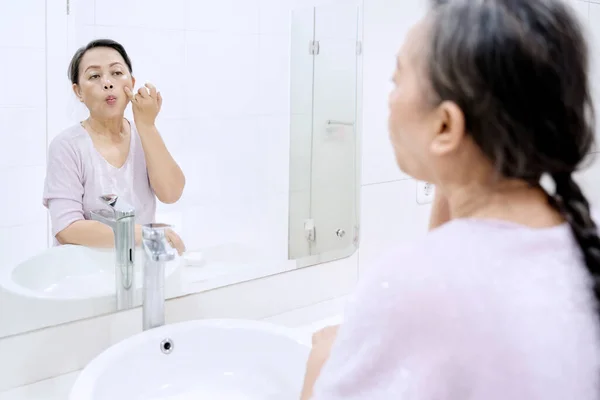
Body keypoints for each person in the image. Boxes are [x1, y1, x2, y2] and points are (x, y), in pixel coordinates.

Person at [300, 0, 600, 398]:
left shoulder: (412, 286)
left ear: (445, 125)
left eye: (396, 80)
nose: (389, 99)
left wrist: (321, 361)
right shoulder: (583, 236)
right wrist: (454, 173)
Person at [43, 39, 186, 255]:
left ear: (132, 82)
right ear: (78, 92)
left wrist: (147, 125)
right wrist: (146, 235)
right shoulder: (67, 146)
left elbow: (171, 193)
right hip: (82, 270)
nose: (108, 83)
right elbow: (67, 228)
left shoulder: (144, 135)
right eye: (94, 76)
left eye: (117, 73)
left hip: (137, 266)